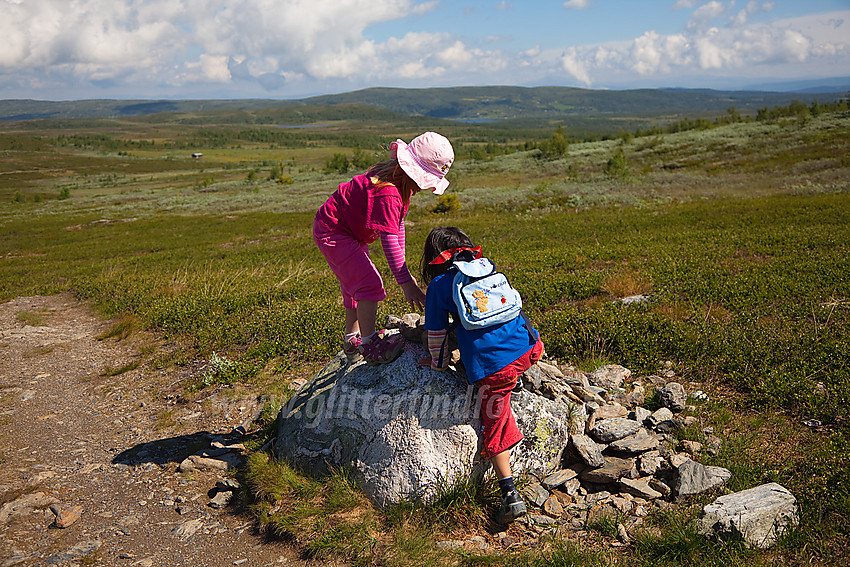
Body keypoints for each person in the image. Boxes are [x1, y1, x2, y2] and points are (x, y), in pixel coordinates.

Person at [418, 226, 544, 524]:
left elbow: (434, 331)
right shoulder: (487, 269)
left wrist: (436, 362)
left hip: (496, 367)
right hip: (529, 345)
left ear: (433, 257)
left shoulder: (439, 285)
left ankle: (509, 494)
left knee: (496, 421)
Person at [314, 132, 454, 365]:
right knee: (369, 284)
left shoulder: (399, 186)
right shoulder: (389, 192)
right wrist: (406, 284)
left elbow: (397, 225)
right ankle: (369, 345)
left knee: (355, 284)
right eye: (424, 181)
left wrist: (405, 270)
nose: (424, 188)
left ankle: (352, 338)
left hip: (344, 230)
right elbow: (388, 241)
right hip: (334, 232)